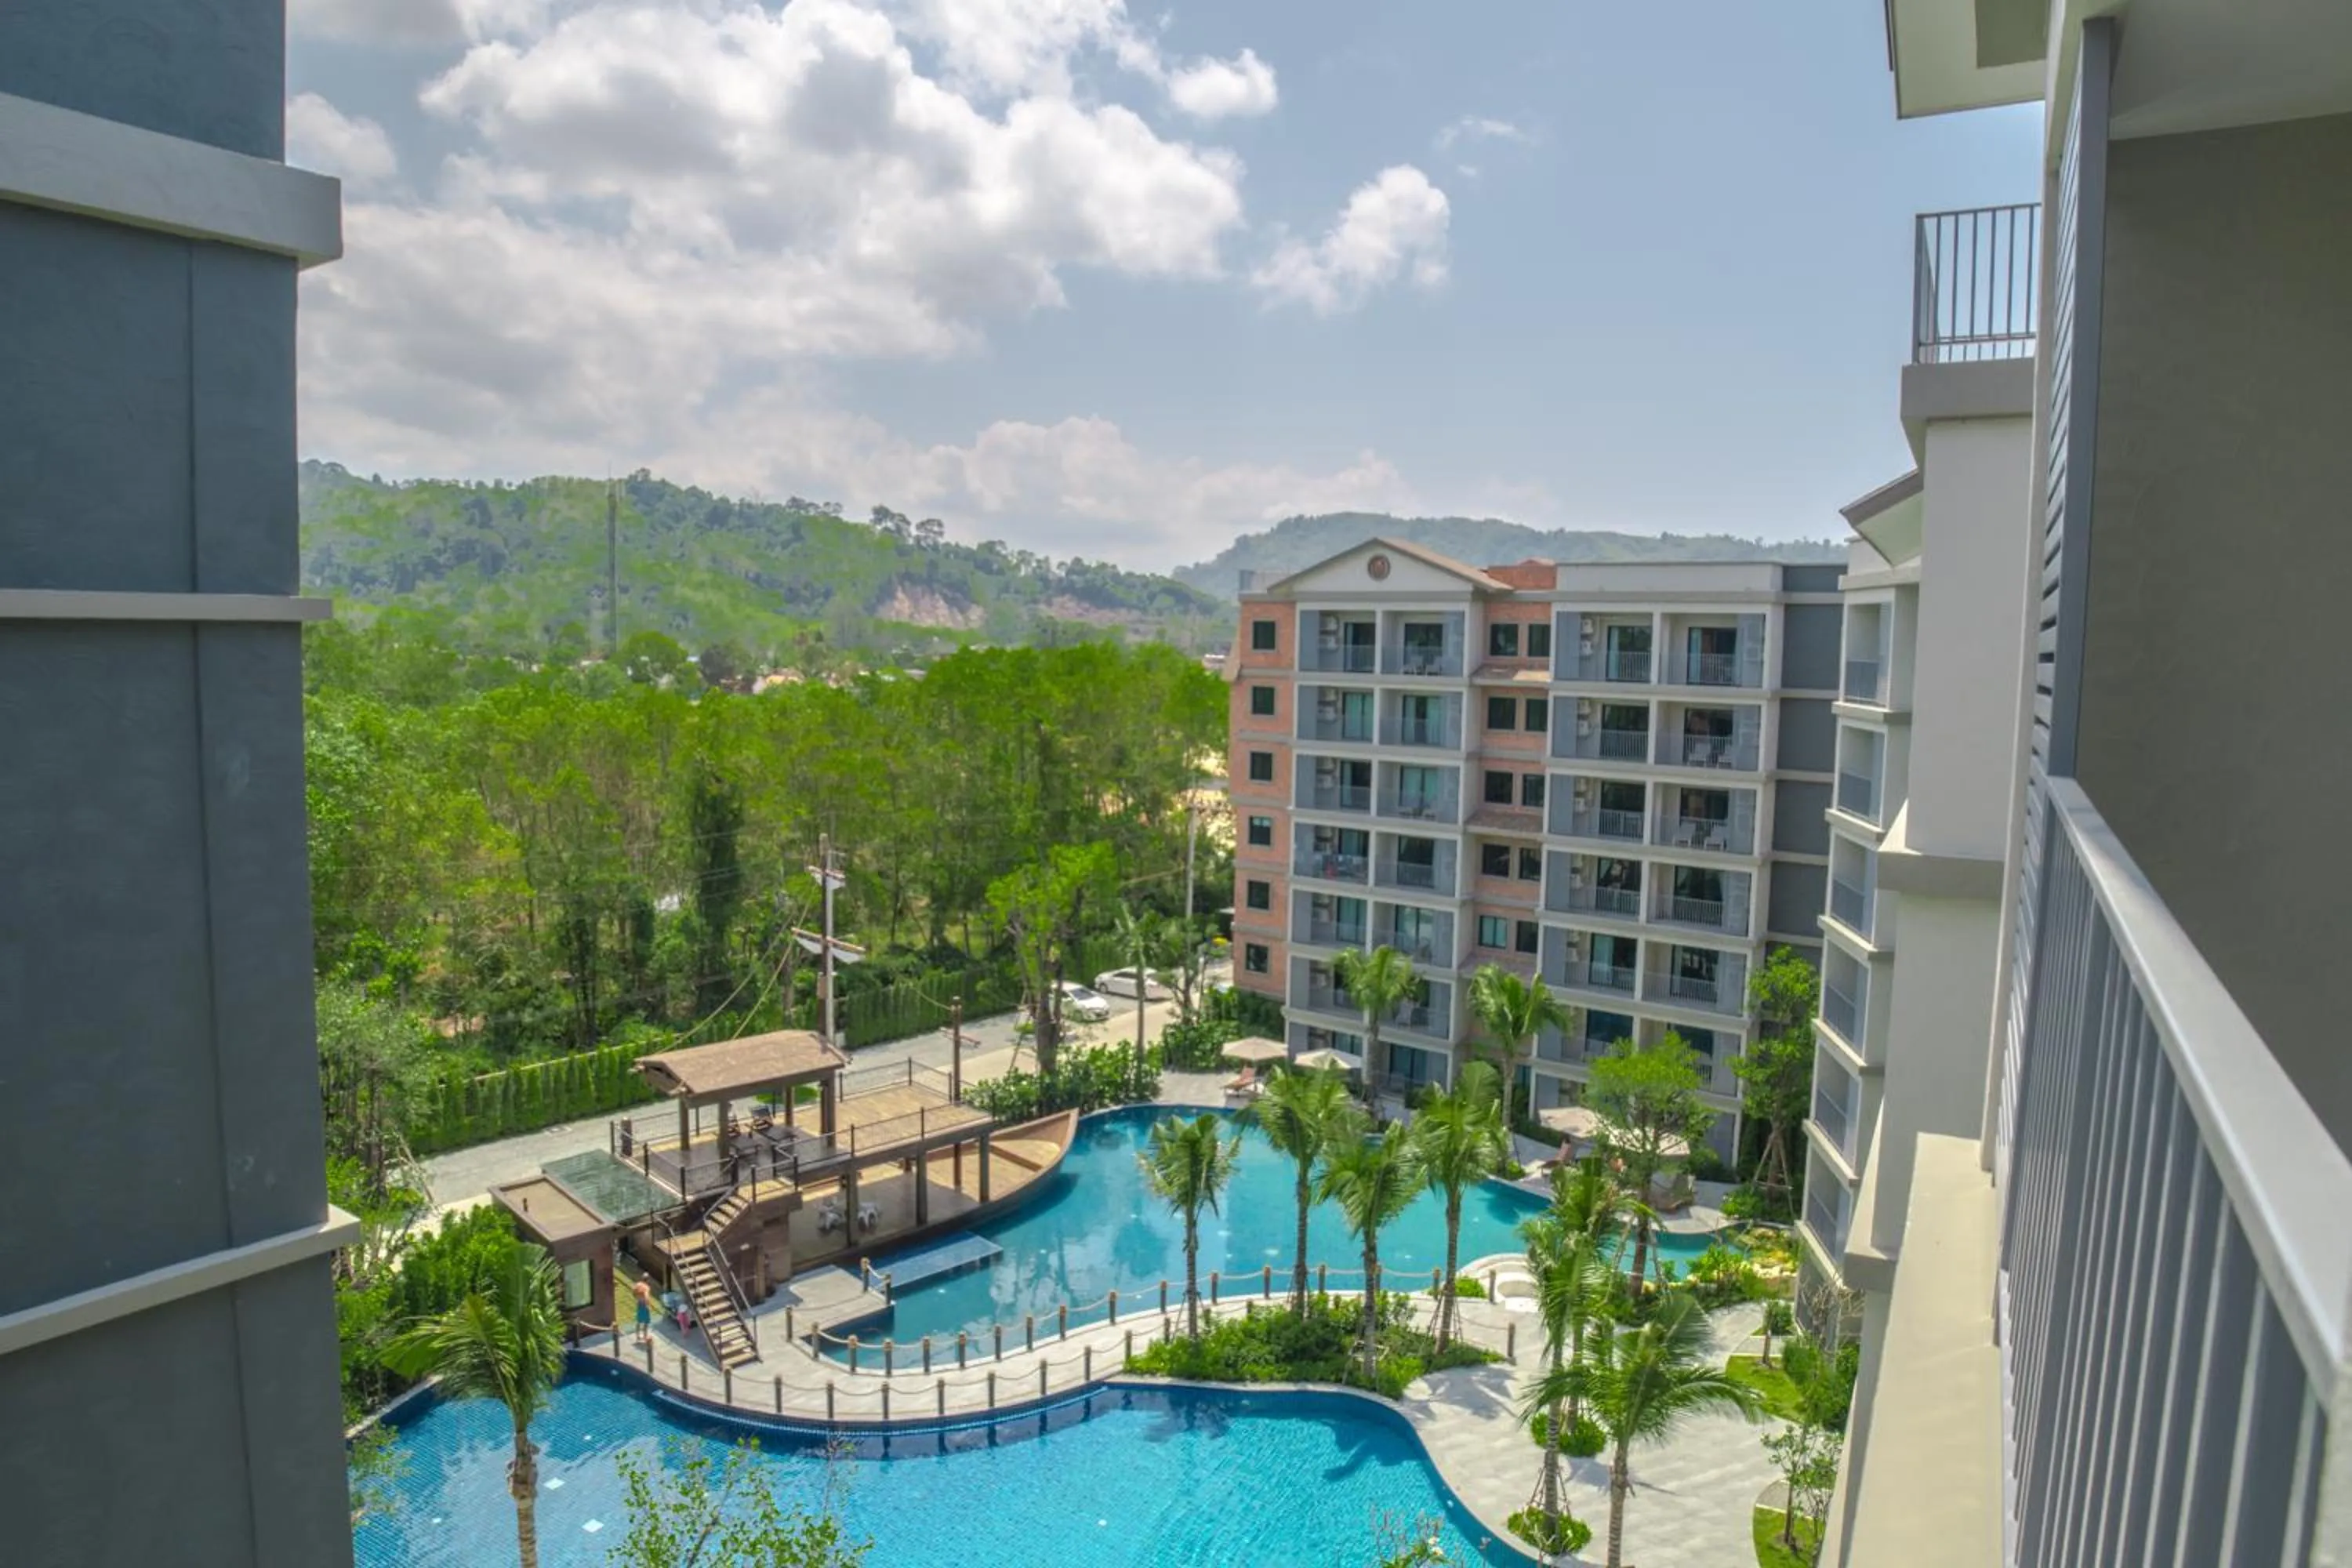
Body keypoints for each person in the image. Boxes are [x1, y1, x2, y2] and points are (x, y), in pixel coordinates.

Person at [631, 1276, 655, 1345]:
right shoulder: (646, 1287)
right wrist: (648, 1305)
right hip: (644, 1305)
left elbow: (633, 1293)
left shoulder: (638, 1285)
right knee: (646, 1322)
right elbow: (646, 1296)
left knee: (639, 1321)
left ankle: (638, 1336)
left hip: (639, 1304)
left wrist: (638, 1298)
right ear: (647, 1280)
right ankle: (645, 1336)